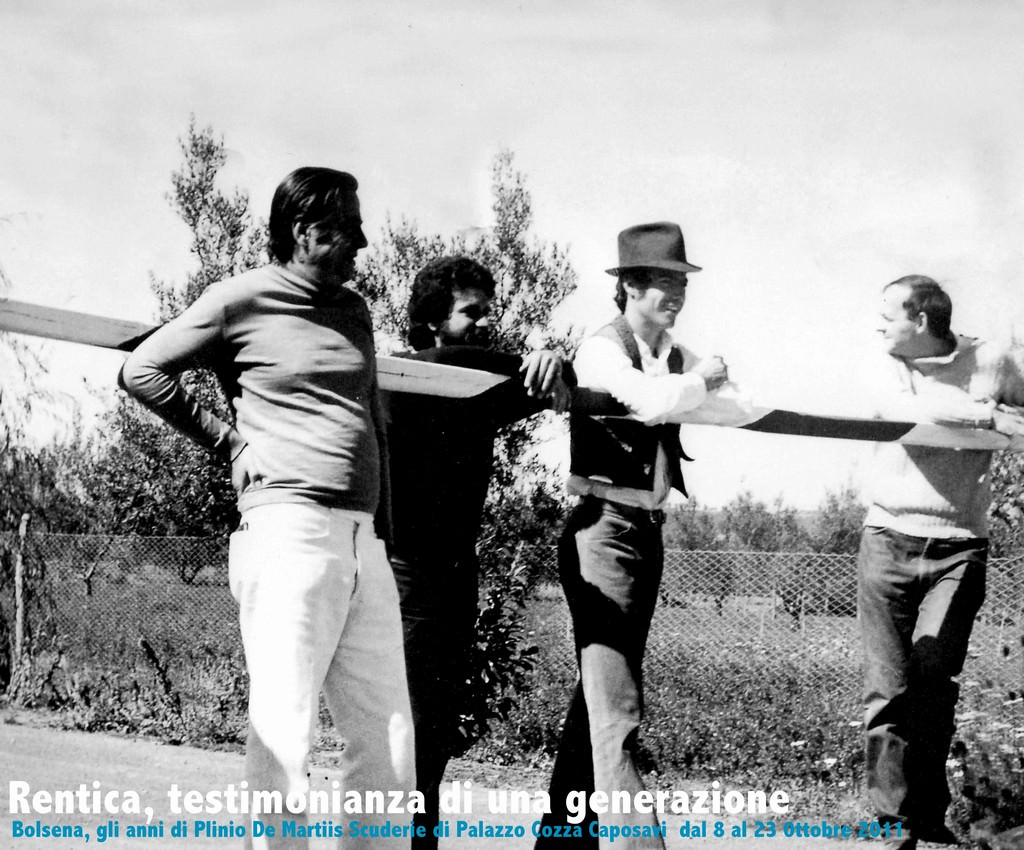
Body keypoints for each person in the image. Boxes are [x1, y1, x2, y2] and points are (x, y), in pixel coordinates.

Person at [119, 167, 414, 850]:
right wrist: (228, 441)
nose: (363, 241)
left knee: (390, 742)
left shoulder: (355, 310)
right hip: (288, 534)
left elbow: (372, 419)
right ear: (304, 230)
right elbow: (142, 370)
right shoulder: (240, 299)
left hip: (363, 544)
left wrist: (385, 534)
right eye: (348, 227)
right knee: (285, 736)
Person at [537, 222, 729, 850]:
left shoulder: (675, 357)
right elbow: (649, 403)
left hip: (647, 533)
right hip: (603, 533)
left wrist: (704, 384)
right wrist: (703, 382)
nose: (675, 294)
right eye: (662, 282)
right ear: (630, 287)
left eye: (680, 282)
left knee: (600, 697)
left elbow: (730, 403)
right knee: (617, 708)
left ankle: (560, 843)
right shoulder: (602, 349)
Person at [383, 255, 569, 850]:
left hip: (456, 574)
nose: (486, 322)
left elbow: (550, 380)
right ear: (432, 320)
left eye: (489, 311)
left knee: (434, 726)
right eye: (471, 312)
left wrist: (552, 359)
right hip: (405, 576)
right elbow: (477, 366)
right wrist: (534, 361)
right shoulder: (404, 377)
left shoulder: (482, 388)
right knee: (410, 728)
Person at [859, 275, 1024, 849]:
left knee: (932, 679)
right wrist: (986, 416)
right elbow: (905, 407)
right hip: (887, 539)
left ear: (922, 320)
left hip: (959, 546)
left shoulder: (991, 361)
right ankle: (892, 823)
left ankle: (927, 817)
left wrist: (1010, 404)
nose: (878, 325)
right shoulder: (885, 362)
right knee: (887, 689)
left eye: (889, 315)